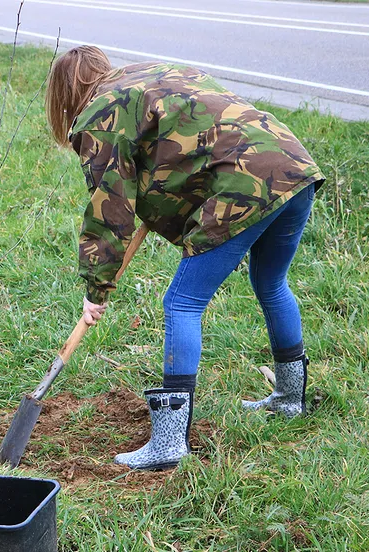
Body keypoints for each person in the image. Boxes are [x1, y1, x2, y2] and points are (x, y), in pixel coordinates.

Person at [45, 46, 324, 470]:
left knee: (181, 302)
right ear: (100, 68)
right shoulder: (148, 72)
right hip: (292, 164)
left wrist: (95, 288)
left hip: (243, 181)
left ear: (63, 96)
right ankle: (289, 399)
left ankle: (170, 442)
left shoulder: (99, 115)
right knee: (270, 282)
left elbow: (110, 209)